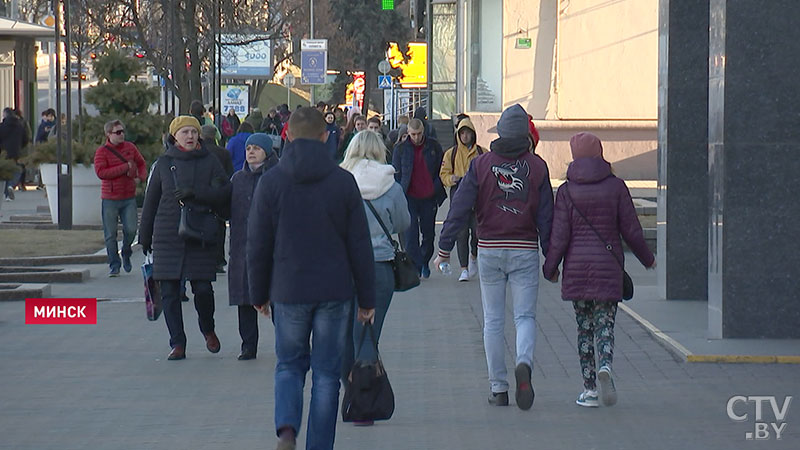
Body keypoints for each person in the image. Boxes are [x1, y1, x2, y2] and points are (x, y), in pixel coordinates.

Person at [247, 107, 375, 450]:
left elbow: (257, 243)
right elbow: (359, 244)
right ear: (325, 136)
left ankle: (287, 430)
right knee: (326, 376)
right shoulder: (342, 181)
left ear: (286, 136)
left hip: (288, 289)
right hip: (334, 290)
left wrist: (257, 293)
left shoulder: (271, 181)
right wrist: (367, 299)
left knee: (289, 365)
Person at [433, 104, 553, 411]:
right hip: (525, 249)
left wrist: (444, 246)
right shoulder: (538, 167)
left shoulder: (481, 164)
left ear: (499, 132)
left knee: (493, 320)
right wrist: (552, 257)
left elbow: (460, 206)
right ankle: (523, 362)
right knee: (524, 316)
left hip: (489, 249)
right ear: (526, 134)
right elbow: (547, 217)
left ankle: (498, 387)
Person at [542, 132, 655, 408]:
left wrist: (550, 268)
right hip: (608, 268)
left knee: (584, 330)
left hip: (578, 270)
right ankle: (605, 364)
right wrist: (647, 259)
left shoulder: (567, 191)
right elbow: (631, 229)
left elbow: (559, 236)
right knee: (605, 325)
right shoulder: (616, 186)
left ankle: (590, 389)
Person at [139, 116, 231, 360]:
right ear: (174, 137)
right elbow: (151, 202)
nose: (189, 136)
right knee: (169, 291)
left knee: (202, 289)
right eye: (184, 132)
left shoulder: (210, 161)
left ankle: (207, 328)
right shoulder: (163, 163)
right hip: (168, 233)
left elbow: (224, 193)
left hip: (199, 231)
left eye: (193, 132)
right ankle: (177, 343)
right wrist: (144, 236)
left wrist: (197, 194)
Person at [339, 131, 410, 426]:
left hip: (342, 267)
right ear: (380, 151)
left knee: (343, 335)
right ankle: (365, 400)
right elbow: (403, 222)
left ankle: (352, 390)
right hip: (379, 264)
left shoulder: (339, 181)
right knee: (368, 332)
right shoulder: (389, 183)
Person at [227, 133, 279, 361]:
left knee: (277, 297)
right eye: (248, 148)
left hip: (273, 246)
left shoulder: (277, 177)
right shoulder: (238, 179)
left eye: (256, 148)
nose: (250, 152)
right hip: (242, 245)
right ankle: (248, 345)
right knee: (244, 297)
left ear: (267, 152)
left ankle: (288, 341)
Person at [392, 118, 445, 278]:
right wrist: (399, 190)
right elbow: (396, 172)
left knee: (429, 234)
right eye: (413, 134)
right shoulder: (400, 149)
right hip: (409, 197)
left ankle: (424, 261)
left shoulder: (433, 146)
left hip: (429, 197)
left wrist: (436, 186)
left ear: (423, 131)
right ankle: (415, 265)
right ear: (408, 133)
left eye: (419, 134)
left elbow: (441, 169)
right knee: (410, 234)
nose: (416, 137)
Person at [94, 119, 147, 277]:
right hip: (110, 198)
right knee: (110, 234)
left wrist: (141, 177)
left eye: (123, 131)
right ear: (108, 134)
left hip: (128, 196)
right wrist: (125, 168)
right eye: (118, 132)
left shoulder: (130, 148)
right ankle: (114, 265)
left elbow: (141, 163)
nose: (122, 135)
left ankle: (126, 251)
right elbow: (101, 173)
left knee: (131, 229)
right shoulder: (102, 152)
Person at [439, 118, 485, 282]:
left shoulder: (481, 152)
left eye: (468, 133)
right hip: (459, 194)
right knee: (461, 232)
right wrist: (451, 179)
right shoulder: (451, 154)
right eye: (462, 133)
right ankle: (464, 268)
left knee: (478, 231)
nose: (465, 136)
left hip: (478, 197)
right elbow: (443, 173)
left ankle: (474, 255)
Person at [201, 125, 234, 273]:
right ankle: (218, 259)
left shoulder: (199, 152)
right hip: (219, 195)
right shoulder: (223, 153)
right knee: (219, 229)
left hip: (202, 194)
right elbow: (229, 174)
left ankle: (204, 258)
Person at [0, 107, 26, 201]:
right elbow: (25, 139)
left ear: (5, 115)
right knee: (18, 169)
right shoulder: (20, 126)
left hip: (4, 152)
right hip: (16, 151)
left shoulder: (2, 126)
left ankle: (7, 193)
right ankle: (11, 185)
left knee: (5, 172)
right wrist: (20, 146)